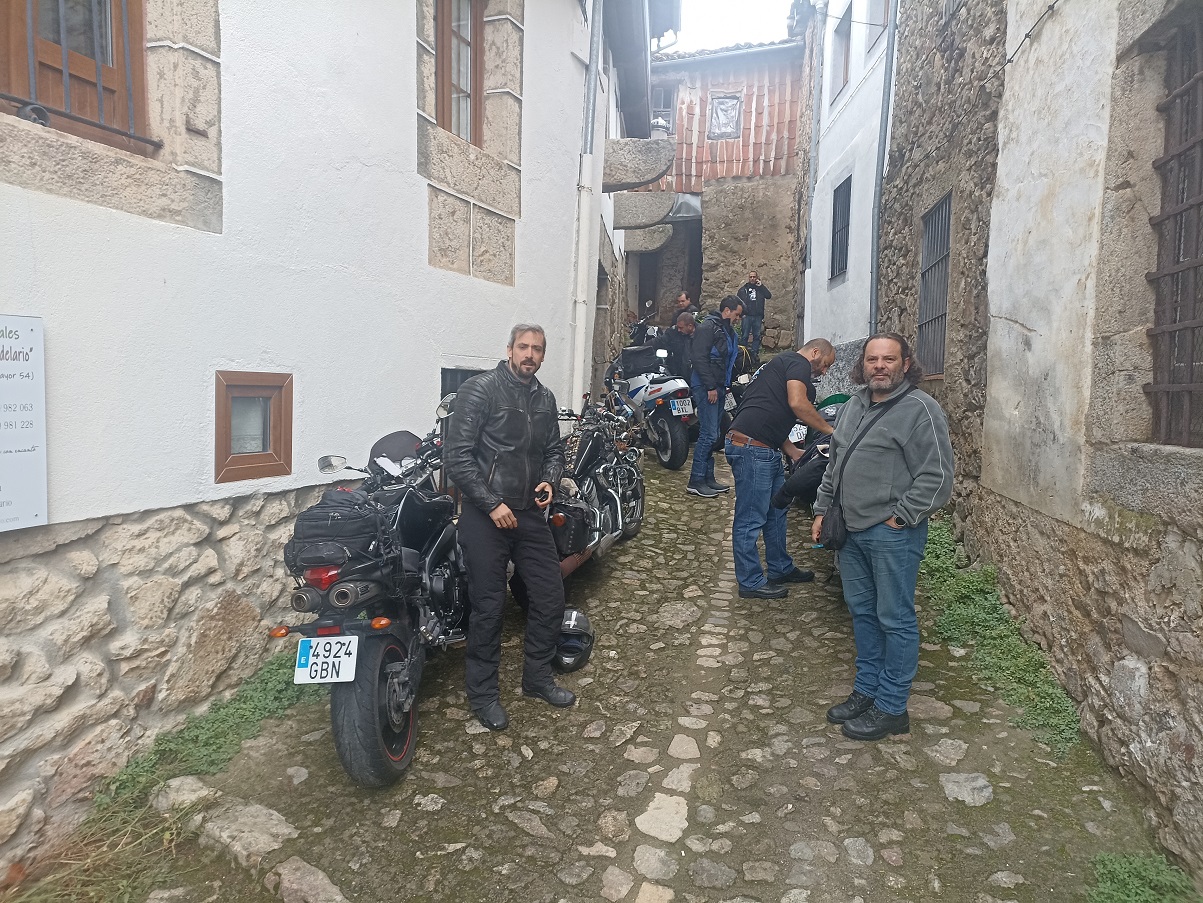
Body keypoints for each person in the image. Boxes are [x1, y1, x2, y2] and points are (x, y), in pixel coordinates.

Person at [812, 333, 954, 741]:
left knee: (895, 618)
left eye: (888, 359)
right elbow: (836, 464)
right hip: (849, 530)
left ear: (905, 364)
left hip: (891, 535)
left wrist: (901, 517)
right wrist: (822, 509)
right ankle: (868, 689)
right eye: (872, 359)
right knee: (862, 613)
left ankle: (892, 707)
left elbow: (937, 476)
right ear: (863, 364)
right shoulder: (854, 404)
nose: (879, 366)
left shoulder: (921, 409)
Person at [443, 325, 575, 732]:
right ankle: (483, 696)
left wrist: (549, 480)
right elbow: (457, 457)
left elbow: (554, 451)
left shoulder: (545, 398)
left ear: (543, 355)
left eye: (536, 349)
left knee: (550, 596)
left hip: (529, 514)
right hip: (486, 517)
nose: (529, 354)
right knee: (489, 607)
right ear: (510, 350)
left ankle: (537, 679)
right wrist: (491, 503)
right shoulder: (481, 390)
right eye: (523, 347)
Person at [725, 339, 836, 599]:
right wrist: (832, 431)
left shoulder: (777, 366)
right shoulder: (798, 362)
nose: (824, 371)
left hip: (765, 448)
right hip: (753, 449)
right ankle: (750, 582)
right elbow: (797, 403)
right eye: (826, 364)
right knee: (750, 518)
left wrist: (791, 450)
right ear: (815, 352)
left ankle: (780, 568)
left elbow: (769, 410)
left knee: (776, 511)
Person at [687, 295, 742, 498]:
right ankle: (696, 480)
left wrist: (725, 386)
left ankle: (707, 478)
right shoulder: (708, 328)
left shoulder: (727, 330)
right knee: (708, 434)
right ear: (727, 311)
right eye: (737, 314)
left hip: (719, 387)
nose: (738, 319)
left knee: (715, 434)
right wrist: (710, 386)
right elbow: (699, 358)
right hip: (706, 387)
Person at [737, 271, 772, 357]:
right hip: (747, 316)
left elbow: (768, 296)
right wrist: (741, 314)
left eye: (754, 277)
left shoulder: (760, 289)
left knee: (757, 336)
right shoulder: (743, 289)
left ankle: (754, 354)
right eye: (751, 277)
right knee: (744, 336)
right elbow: (738, 302)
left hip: (757, 316)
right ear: (748, 278)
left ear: (757, 278)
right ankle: (743, 355)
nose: (752, 278)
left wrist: (761, 286)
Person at [654, 310, 695, 381]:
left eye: (681, 328)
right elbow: (659, 341)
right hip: (678, 373)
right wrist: (642, 348)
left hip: (695, 374)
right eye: (677, 327)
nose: (678, 330)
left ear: (690, 326)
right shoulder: (673, 332)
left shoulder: (701, 334)